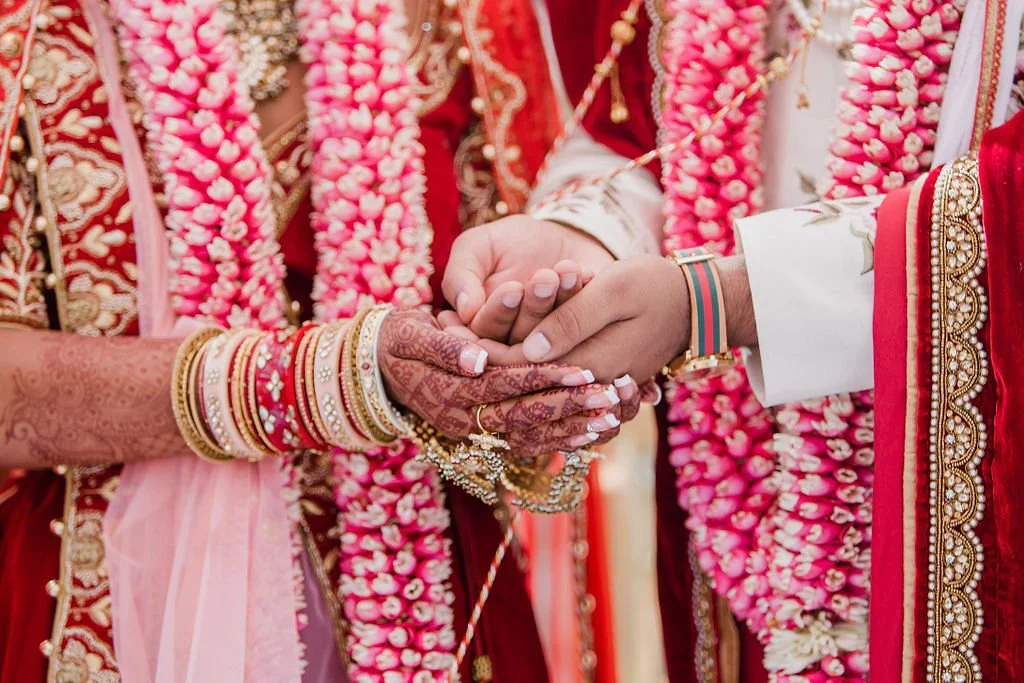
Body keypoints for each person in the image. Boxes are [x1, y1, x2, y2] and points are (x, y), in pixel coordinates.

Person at [0, 0, 646, 681]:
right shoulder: (30, 34)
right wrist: (330, 380)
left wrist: (524, 377)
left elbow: (498, 291)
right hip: (117, 608)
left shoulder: (438, 26)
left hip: (417, 583)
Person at [442, 0, 1024, 679]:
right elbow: (640, 130)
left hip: (968, 505)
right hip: (744, 515)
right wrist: (579, 245)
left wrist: (722, 301)